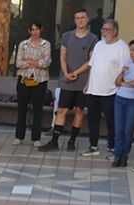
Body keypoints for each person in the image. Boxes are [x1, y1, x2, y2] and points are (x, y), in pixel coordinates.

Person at [40, 8, 96, 152]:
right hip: (66, 80)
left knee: (79, 111)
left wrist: (76, 73)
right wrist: (66, 73)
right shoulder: (66, 36)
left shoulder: (93, 39)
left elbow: (91, 60)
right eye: (77, 18)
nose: (80, 20)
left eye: (83, 17)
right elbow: (62, 56)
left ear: (88, 19)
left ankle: (72, 141)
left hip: (82, 81)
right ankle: (54, 141)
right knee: (61, 110)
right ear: (74, 20)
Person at [81, 19, 126, 157]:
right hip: (94, 90)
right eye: (103, 29)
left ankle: (112, 147)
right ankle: (93, 146)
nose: (104, 32)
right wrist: (88, 84)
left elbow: (124, 71)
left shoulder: (122, 47)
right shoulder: (99, 45)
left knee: (111, 121)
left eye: (107, 29)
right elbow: (92, 66)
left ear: (115, 31)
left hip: (111, 91)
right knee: (92, 120)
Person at [110, 38, 134, 168]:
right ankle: (117, 155)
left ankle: (124, 155)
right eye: (130, 50)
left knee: (128, 130)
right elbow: (116, 82)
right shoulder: (127, 63)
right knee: (118, 129)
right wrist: (122, 72)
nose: (131, 53)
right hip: (120, 98)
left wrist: (124, 83)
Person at [14, 21, 51, 146]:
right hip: (24, 80)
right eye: (32, 29)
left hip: (39, 81)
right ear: (29, 31)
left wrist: (29, 62)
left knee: (37, 110)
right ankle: (19, 137)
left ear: (41, 30)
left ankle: (36, 138)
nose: (34, 32)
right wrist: (36, 62)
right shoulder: (23, 44)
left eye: (37, 29)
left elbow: (45, 62)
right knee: (22, 109)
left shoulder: (46, 44)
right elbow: (18, 62)